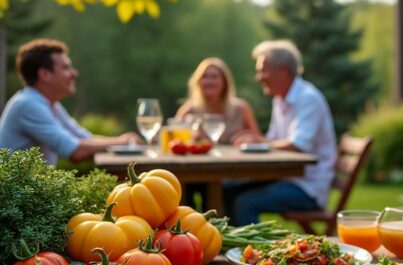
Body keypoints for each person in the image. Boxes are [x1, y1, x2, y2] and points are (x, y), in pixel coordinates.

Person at [228, 40, 337, 225]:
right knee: (226, 189)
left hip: (307, 188)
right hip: (289, 179)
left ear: (283, 71)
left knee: (243, 203)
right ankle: (226, 248)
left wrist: (260, 142)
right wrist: (257, 140)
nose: (259, 77)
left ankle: (253, 252)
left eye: (263, 70)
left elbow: (298, 145)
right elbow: (274, 140)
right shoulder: (280, 99)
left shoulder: (308, 98)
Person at [0, 39, 142, 165]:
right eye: (66, 67)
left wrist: (124, 140)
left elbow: (84, 138)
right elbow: (75, 151)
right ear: (44, 74)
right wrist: (122, 142)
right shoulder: (28, 105)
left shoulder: (50, 104)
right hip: (16, 195)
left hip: (33, 192)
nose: (74, 73)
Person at [175, 57, 260, 144]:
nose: (209, 81)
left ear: (225, 82)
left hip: (236, 157)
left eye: (214, 77)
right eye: (204, 77)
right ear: (199, 81)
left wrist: (249, 139)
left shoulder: (241, 109)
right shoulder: (188, 111)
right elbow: (176, 141)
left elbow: (259, 139)